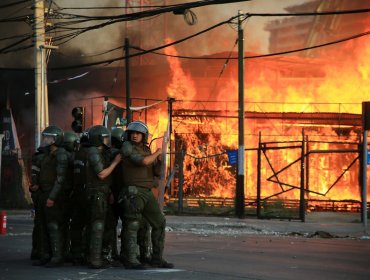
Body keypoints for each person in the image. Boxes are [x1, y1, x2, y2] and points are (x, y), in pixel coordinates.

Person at [119, 121, 173, 269]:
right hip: (134, 191)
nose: (135, 135)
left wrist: (159, 162)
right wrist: (158, 152)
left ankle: (157, 258)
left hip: (147, 192)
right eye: (132, 133)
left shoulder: (146, 149)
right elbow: (142, 162)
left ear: (144, 136)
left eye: (138, 133)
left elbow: (155, 172)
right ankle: (130, 259)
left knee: (159, 222)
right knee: (133, 224)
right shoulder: (127, 147)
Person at [31, 125, 71, 267]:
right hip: (44, 193)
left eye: (49, 137)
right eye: (46, 136)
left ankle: (56, 256)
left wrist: (52, 197)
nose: (46, 139)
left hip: (53, 195)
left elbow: (60, 179)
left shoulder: (60, 154)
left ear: (56, 139)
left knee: (53, 226)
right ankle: (46, 254)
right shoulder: (47, 154)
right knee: (43, 226)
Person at [85, 125, 121, 269]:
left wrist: (110, 192)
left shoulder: (100, 151)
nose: (107, 140)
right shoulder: (93, 152)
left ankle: (100, 256)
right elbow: (101, 174)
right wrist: (116, 162)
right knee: (98, 226)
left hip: (103, 193)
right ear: (98, 139)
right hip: (96, 194)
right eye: (105, 138)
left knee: (105, 225)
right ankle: (94, 259)